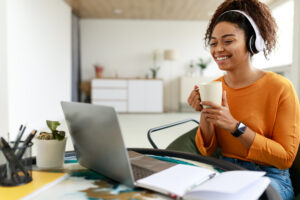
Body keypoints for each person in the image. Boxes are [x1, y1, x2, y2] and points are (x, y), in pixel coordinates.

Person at [187, 0, 300, 200]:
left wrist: (235, 126)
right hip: (226, 170)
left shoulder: (280, 87)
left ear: (252, 42)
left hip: (269, 176)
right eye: (213, 43)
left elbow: (285, 159)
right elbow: (207, 151)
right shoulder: (214, 86)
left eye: (228, 41)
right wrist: (206, 113)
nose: (218, 49)